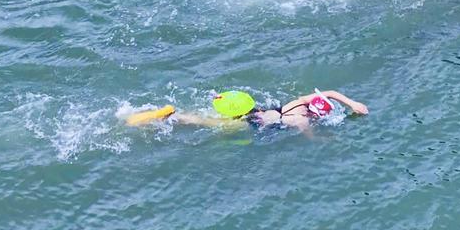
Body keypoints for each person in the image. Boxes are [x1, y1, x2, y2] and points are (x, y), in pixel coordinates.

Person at [147, 88, 369, 131]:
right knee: (214, 124)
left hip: (262, 110)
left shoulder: (300, 101)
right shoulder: (301, 121)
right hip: (259, 123)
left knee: (224, 115)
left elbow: (329, 92)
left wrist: (352, 103)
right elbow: (310, 138)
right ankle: (174, 117)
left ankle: (220, 99)